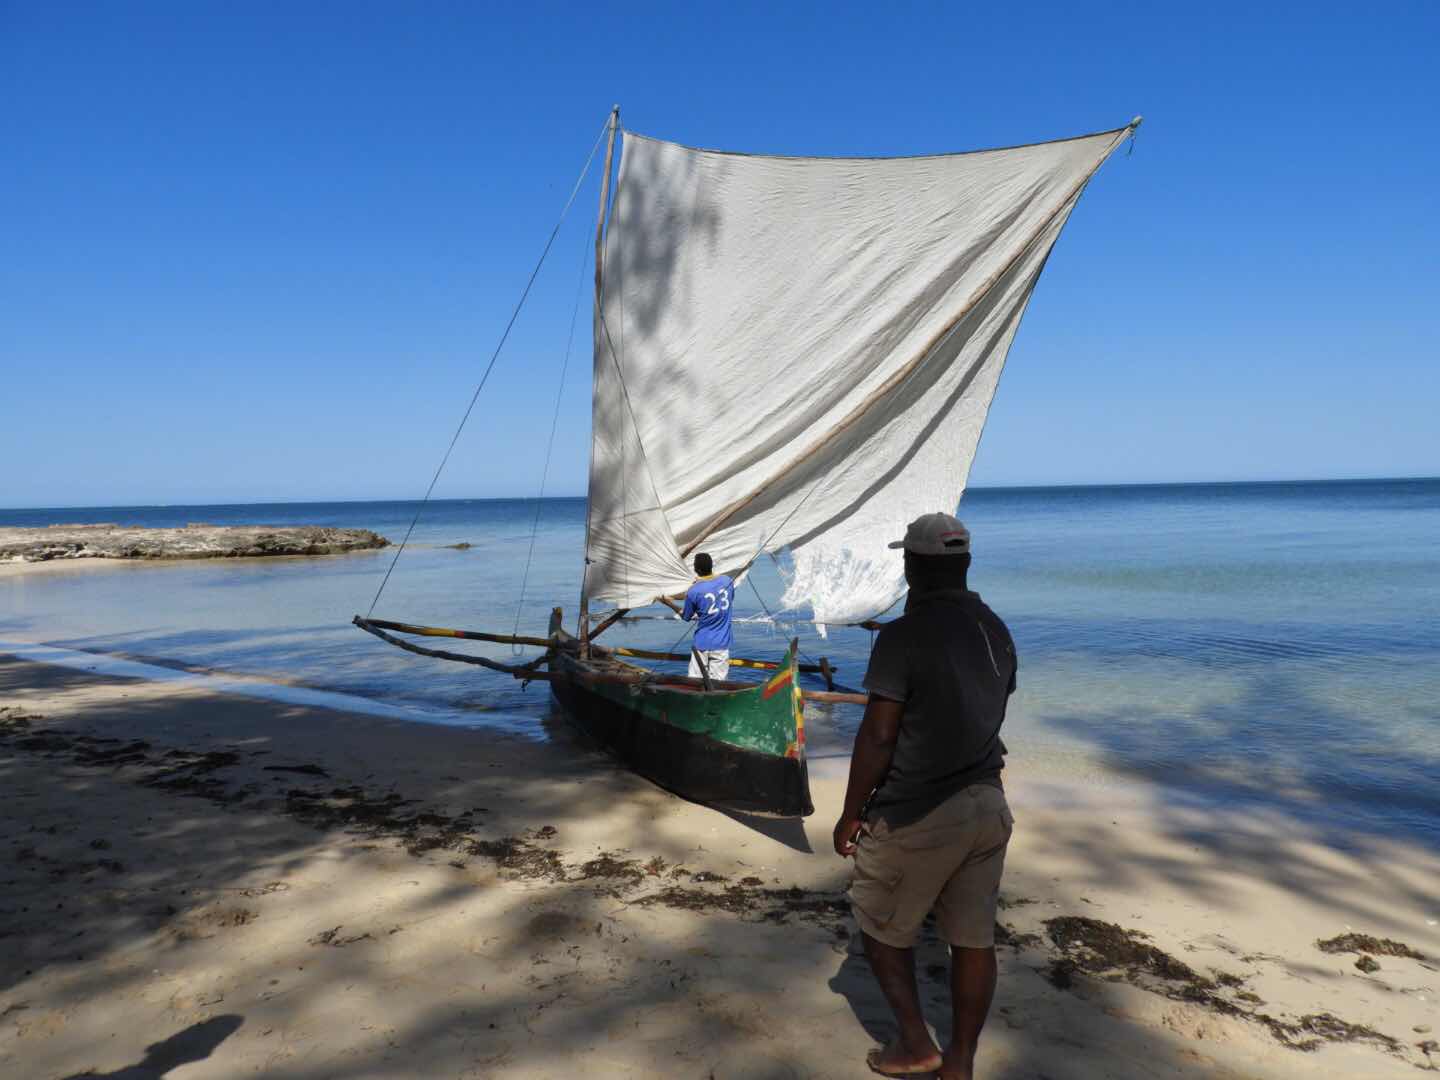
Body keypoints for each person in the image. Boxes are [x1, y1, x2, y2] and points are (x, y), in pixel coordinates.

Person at [833, 512, 1017, 1080]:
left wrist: (851, 813)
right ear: (963, 565)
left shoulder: (902, 636)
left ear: (912, 567)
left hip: (920, 811)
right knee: (973, 939)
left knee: (879, 921)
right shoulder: (995, 628)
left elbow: (880, 734)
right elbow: (988, 707)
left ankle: (914, 1042)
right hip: (988, 803)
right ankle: (958, 1063)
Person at [681, 552, 735, 682]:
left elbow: (686, 617)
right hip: (721, 643)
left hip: (702, 644)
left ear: (696, 570)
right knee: (719, 683)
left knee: (695, 682)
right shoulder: (727, 581)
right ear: (712, 566)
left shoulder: (694, 591)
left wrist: (668, 603)